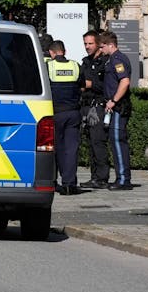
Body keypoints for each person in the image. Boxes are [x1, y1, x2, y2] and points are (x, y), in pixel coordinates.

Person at [45, 38, 82, 195]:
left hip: (56, 113)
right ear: (64, 51)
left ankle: (55, 182)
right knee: (72, 149)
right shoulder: (75, 65)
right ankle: (69, 183)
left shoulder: (48, 66)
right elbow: (82, 85)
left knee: (57, 148)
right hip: (73, 113)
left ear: (52, 53)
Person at [99, 31, 135, 190]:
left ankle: (123, 180)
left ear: (110, 45)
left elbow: (125, 81)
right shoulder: (111, 59)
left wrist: (113, 100)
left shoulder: (118, 59)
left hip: (118, 107)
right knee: (115, 141)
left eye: (102, 46)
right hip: (114, 106)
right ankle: (121, 177)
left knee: (118, 141)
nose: (101, 50)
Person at [80, 30, 110, 189]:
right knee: (90, 142)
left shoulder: (105, 62)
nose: (87, 46)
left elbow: (107, 85)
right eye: (85, 43)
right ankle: (94, 177)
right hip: (86, 105)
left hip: (98, 106)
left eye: (90, 43)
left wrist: (91, 84)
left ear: (98, 43)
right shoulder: (85, 62)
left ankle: (102, 178)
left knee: (98, 142)